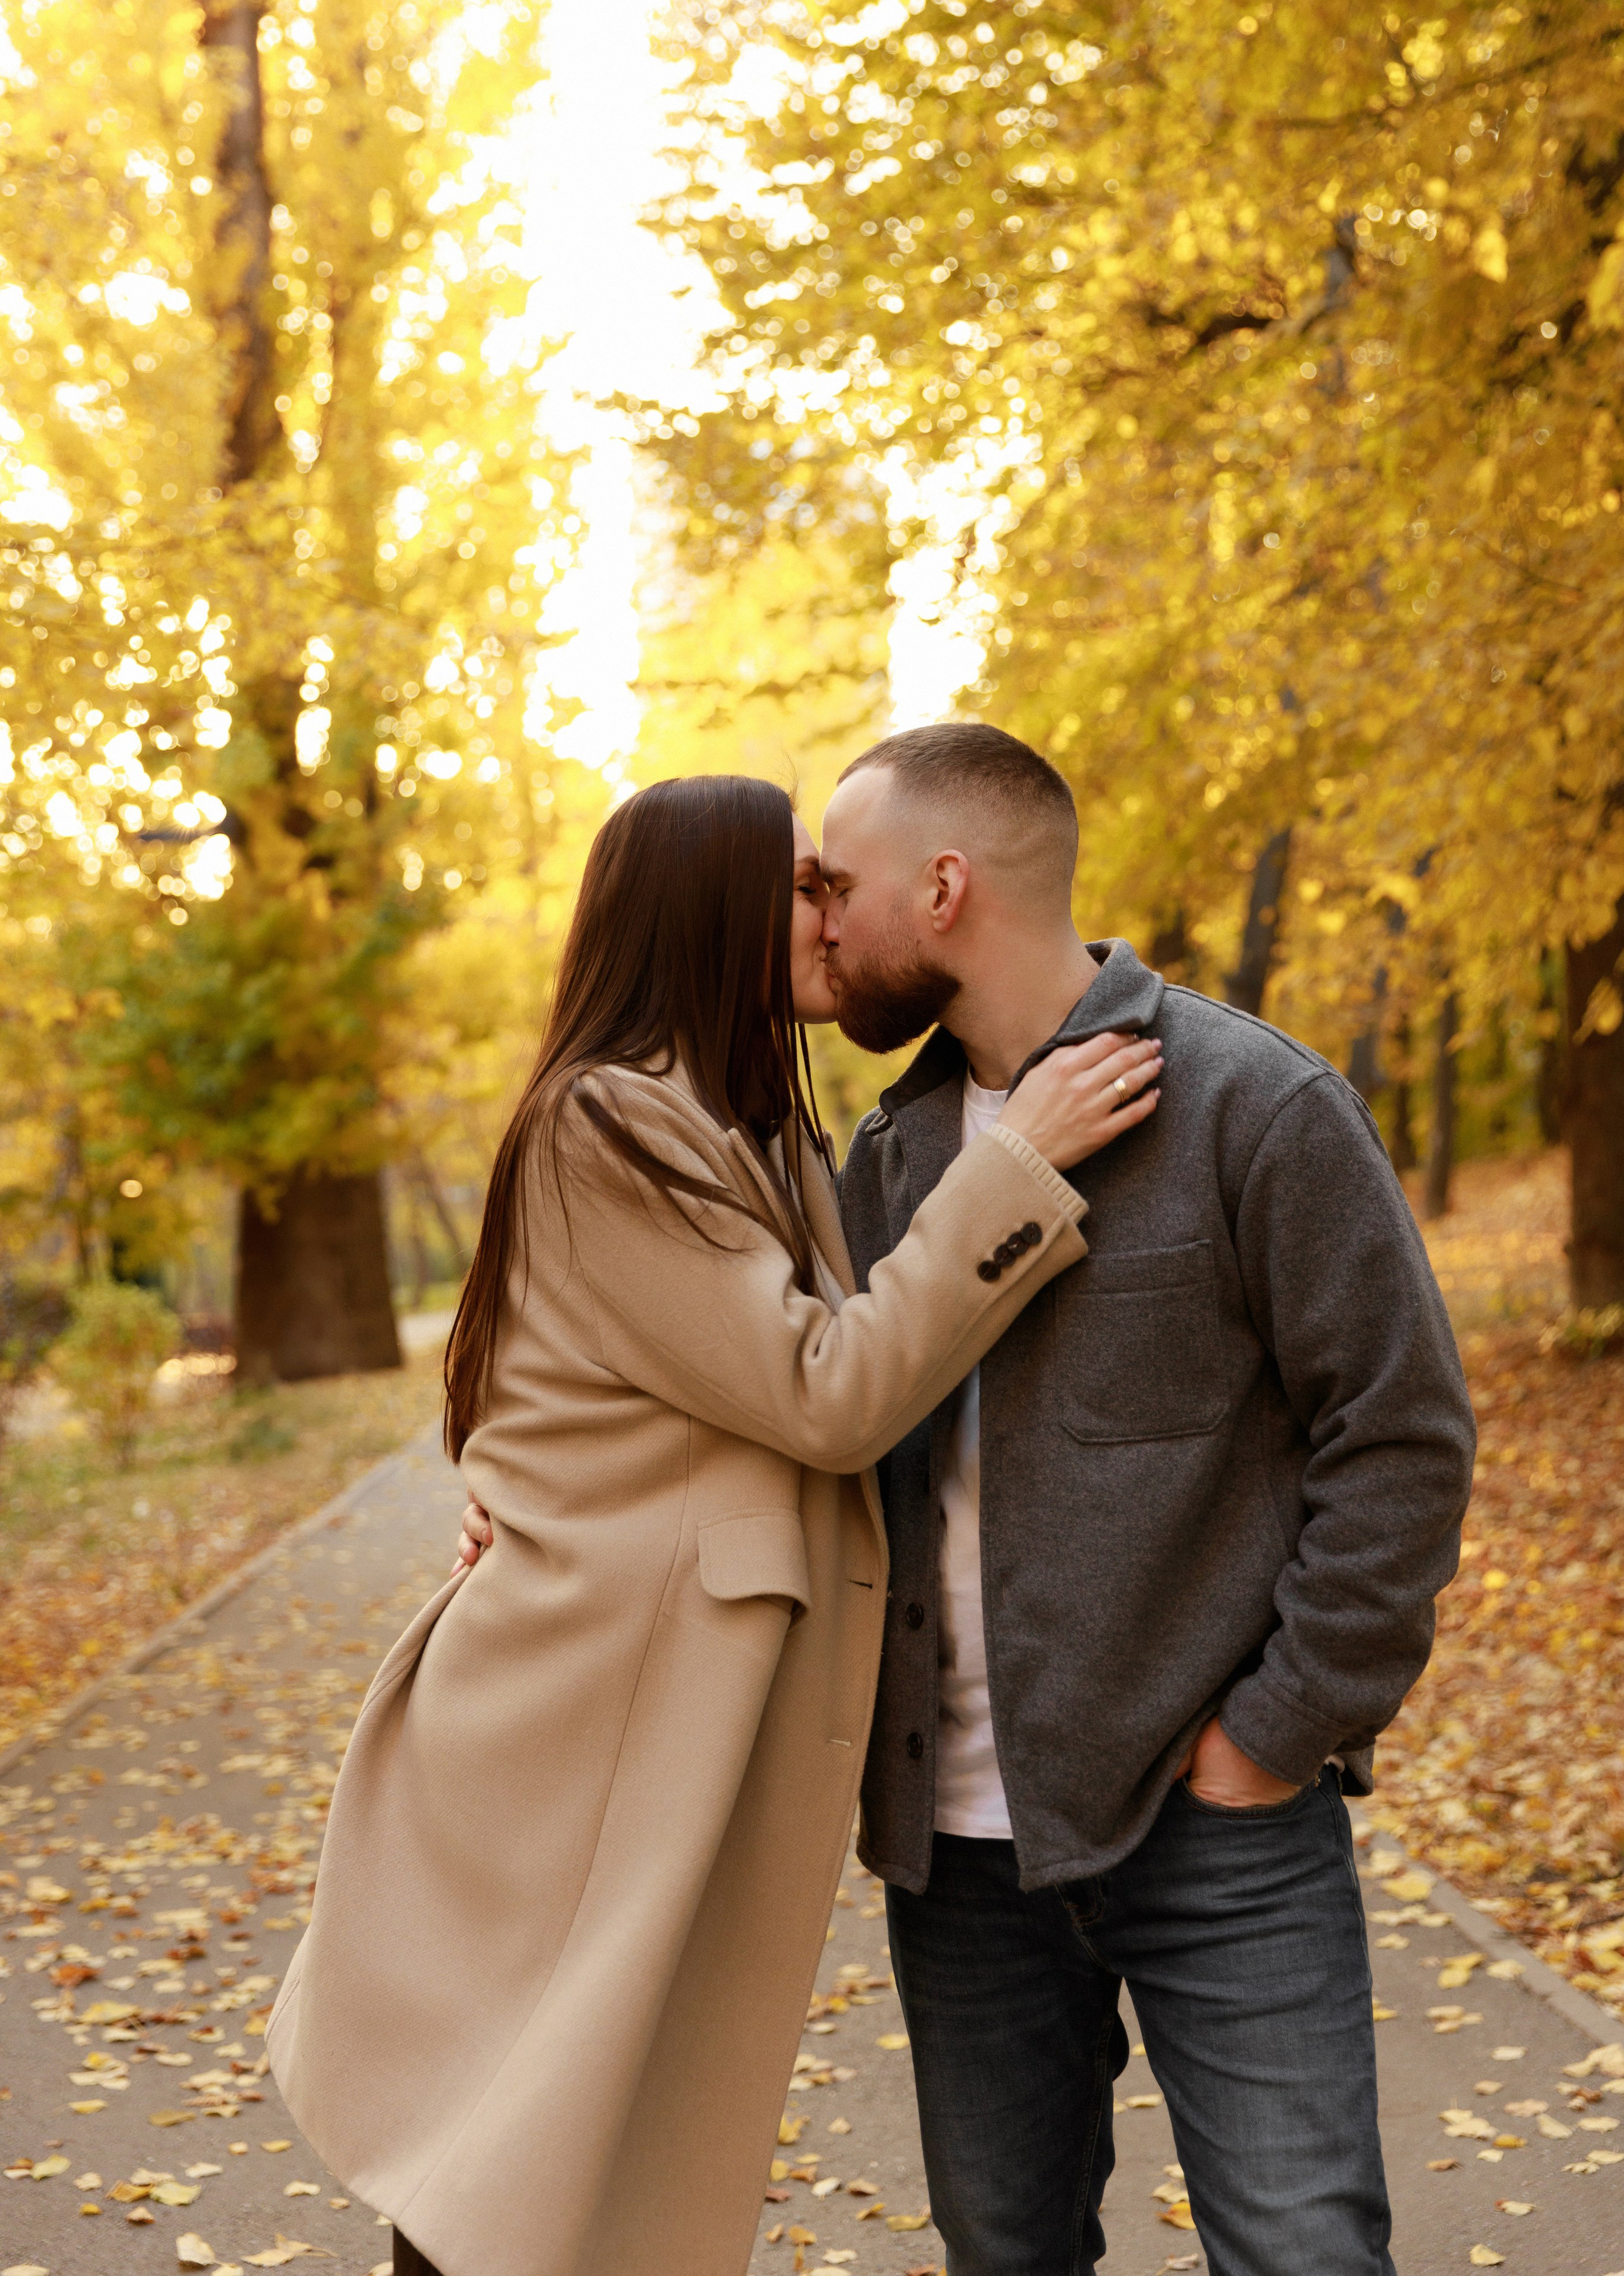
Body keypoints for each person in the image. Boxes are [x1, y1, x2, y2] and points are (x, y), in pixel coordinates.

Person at [268, 772, 1162, 2276]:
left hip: (647, 1713)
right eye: (803, 885)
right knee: (518, 2145)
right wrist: (1017, 1170)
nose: (835, 911)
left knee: (570, 2141)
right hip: (584, 1726)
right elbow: (827, 1391)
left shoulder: (744, 1129)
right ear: (710, 908)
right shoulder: (609, 1126)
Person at [816, 723, 1476, 2276]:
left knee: (1303, 2254)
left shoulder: (1252, 1105)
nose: (823, 926)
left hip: (1217, 1837)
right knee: (1006, 2257)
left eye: (839, 887)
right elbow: (800, 1408)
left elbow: (1399, 1437)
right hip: (955, 1859)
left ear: (946, 885)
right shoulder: (886, 1153)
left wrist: (1273, 1734)